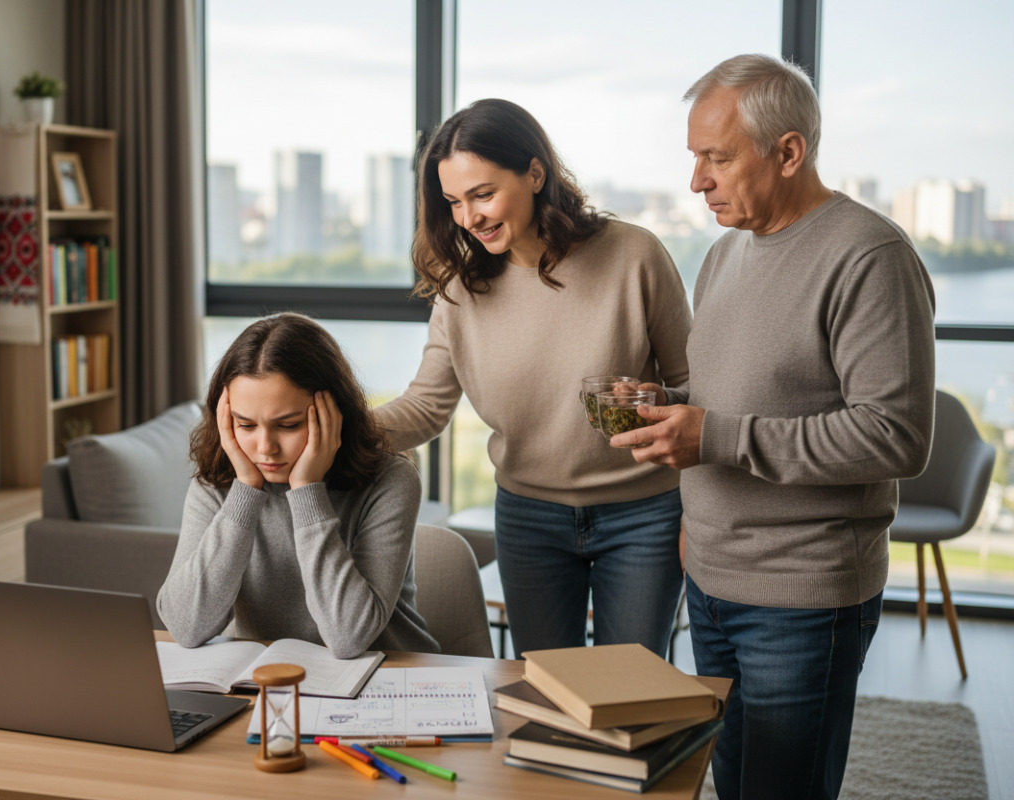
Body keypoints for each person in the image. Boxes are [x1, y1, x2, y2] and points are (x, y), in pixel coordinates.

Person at [610, 54, 936, 799]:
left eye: (716, 158)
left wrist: (714, 436)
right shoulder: (724, 255)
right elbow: (741, 392)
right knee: (732, 781)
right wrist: (667, 402)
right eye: (694, 158)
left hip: (803, 594)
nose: (697, 181)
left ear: (788, 152)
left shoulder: (870, 256)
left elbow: (897, 434)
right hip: (713, 578)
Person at [373, 98, 693, 659]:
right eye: (453, 202)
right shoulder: (460, 286)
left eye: (483, 194)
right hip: (527, 516)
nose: (468, 218)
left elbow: (696, 388)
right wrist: (334, 430)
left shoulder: (634, 255)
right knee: (547, 689)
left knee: (635, 692)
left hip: (644, 514)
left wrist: (652, 399)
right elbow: (425, 408)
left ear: (536, 173)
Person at [157, 312, 439, 659]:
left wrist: (306, 489)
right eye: (245, 425)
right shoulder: (218, 485)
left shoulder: (391, 480)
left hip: (388, 678)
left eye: (288, 425)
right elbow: (185, 627)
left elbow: (349, 637)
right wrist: (245, 491)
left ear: (333, 413)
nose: (265, 448)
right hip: (271, 682)